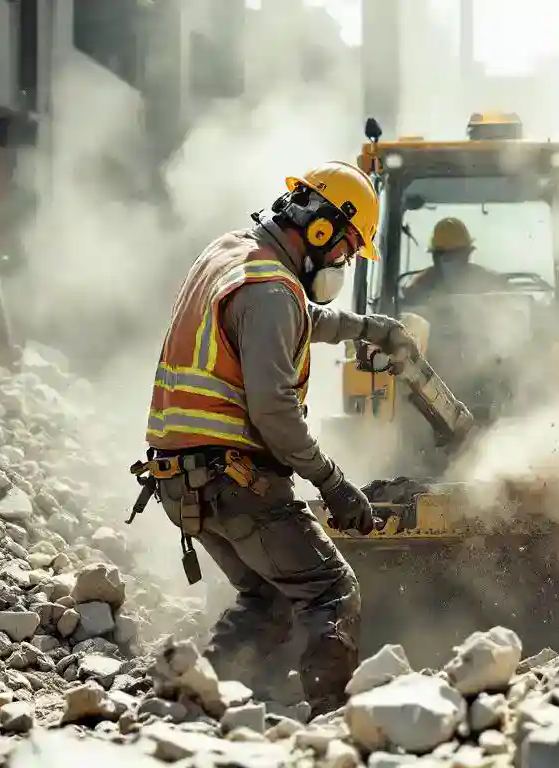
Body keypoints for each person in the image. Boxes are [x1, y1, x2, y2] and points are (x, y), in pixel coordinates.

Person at [139, 160, 415, 717]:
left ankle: (196, 707)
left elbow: (296, 319)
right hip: (234, 480)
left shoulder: (233, 254)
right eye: (345, 249)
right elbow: (274, 411)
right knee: (330, 590)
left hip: (180, 480)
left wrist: (365, 327)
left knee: (265, 598)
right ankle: (330, 722)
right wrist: (333, 483)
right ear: (321, 230)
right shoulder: (272, 290)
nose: (341, 261)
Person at [401, 216, 506, 305]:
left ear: (467, 253)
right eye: (444, 256)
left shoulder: (490, 282)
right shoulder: (421, 284)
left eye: (455, 256)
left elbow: (513, 305)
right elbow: (406, 313)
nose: (449, 264)